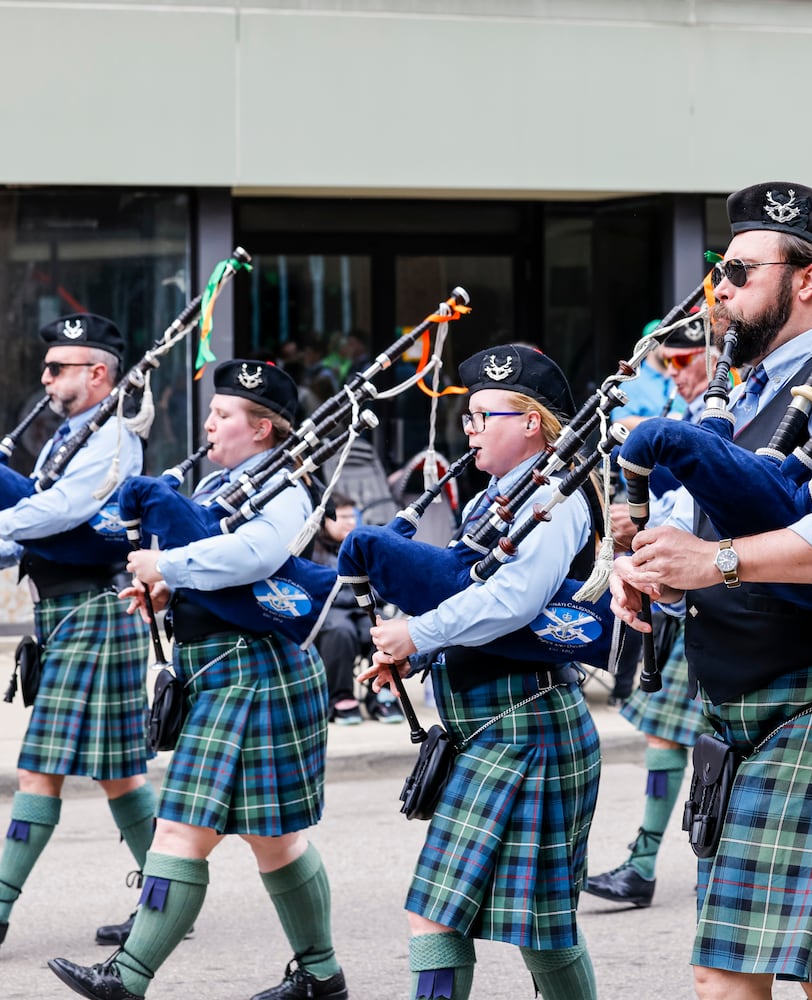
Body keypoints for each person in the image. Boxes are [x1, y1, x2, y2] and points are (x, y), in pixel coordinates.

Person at [611, 181, 812, 1000]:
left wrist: (718, 564)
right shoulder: (740, 397)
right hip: (744, 705)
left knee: (747, 977)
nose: (719, 287)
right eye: (720, 269)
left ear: (808, 278)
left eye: (740, 271)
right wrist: (647, 569)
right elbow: (687, 524)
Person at [47, 359, 348, 1000]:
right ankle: (321, 979)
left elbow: (255, 557)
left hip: (255, 671)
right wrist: (165, 592)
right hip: (222, 672)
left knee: (185, 828)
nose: (209, 422)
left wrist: (169, 563)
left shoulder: (285, 486)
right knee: (275, 839)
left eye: (224, 414)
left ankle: (125, 979)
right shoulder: (222, 485)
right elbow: (216, 572)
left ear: (263, 429)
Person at [0, 313, 156, 955]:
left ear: (98, 373)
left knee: (40, 766)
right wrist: (7, 553)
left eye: (57, 367)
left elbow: (73, 510)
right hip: (72, 611)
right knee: (120, 774)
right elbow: (54, 527)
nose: (44, 378)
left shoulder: (115, 440)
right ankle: (165, 900)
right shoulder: (65, 438)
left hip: (96, 611)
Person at [361, 344, 602, 1000]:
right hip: (490, 729)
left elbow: (512, 601)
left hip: (531, 728)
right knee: (463, 916)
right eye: (466, 420)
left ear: (530, 423)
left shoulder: (554, 499)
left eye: (482, 417)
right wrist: (420, 652)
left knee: (535, 928)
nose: (468, 431)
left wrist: (418, 630)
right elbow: (465, 593)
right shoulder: (491, 501)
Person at [586, 327, 715, 909]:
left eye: (686, 361)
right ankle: (644, 864)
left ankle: (708, 859)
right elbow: (675, 510)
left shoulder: (736, 415)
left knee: (723, 740)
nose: (677, 372)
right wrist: (632, 528)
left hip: (730, 595)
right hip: (686, 601)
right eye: (669, 363)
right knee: (667, 735)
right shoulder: (678, 415)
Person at [310, 492, 390, 725]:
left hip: (363, 608)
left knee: (383, 628)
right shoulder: (312, 549)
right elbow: (319, 591)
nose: (350, 522)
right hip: (329, 612)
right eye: (342, 517)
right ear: (324, 520)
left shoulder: (361, 544)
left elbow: (381, 585)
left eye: (352, 516)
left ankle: (382, 693)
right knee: (340, 631)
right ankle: (340, 697)